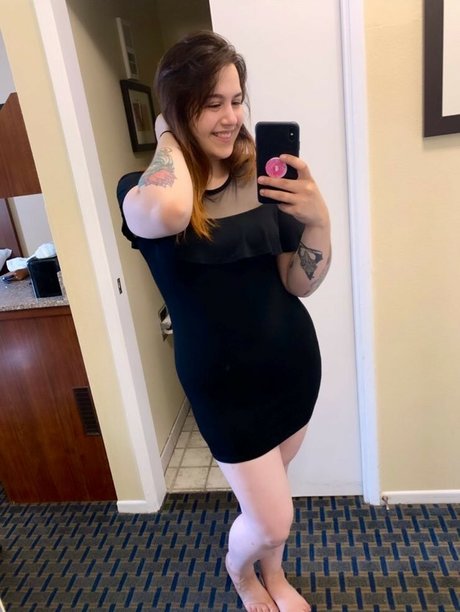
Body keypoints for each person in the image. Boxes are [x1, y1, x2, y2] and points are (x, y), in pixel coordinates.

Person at [119, 30, 331, 612]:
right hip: (225, 389)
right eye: (211, 103)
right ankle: (241, 573)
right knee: (272, 518)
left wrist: (319, 223)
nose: (232, 117)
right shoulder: (143, 191)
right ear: (177, 108)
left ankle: (273, 574)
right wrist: (169, 134)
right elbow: (168, 213)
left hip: (292, 369)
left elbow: (299, 281)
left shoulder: (263, 181)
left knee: (269, 500)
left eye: (237, 100)